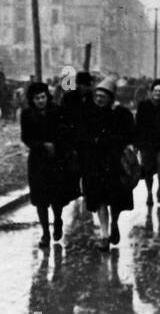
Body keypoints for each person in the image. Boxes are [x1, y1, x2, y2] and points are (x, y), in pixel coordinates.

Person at [20, 81, 80, 249]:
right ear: (32, 99)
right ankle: (45, 233)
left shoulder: (58, 111)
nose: (40, 101)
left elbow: (67, 132)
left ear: (48, 97)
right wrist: (41, 145)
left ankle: (58, 220)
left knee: (56, 196)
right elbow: (26, 137)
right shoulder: (26, 114)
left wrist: (57, 145)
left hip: (57, 160)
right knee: (40, 199)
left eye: (43, 97)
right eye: (37, 98)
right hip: (38, 161)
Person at [78, 76, 136, 250]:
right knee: (100, 199)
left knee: (115, 199)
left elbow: (127, 136)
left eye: (103, 96)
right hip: (95, 164)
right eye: (97, 96)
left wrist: (107, 141)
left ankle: (114, 223)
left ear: (111, 98)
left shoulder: (120, 115)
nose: (99, 99)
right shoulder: (88, 114)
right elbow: (82, 136)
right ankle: (104, 235)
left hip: (114, 163)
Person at [135, 79, 160, 208]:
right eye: (155, 91)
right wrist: (136, 143)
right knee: (148, 170)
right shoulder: (143, 105)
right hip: (146, 143)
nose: (158, 93)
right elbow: (138, 124)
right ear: (151, 92)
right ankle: (150, 193)